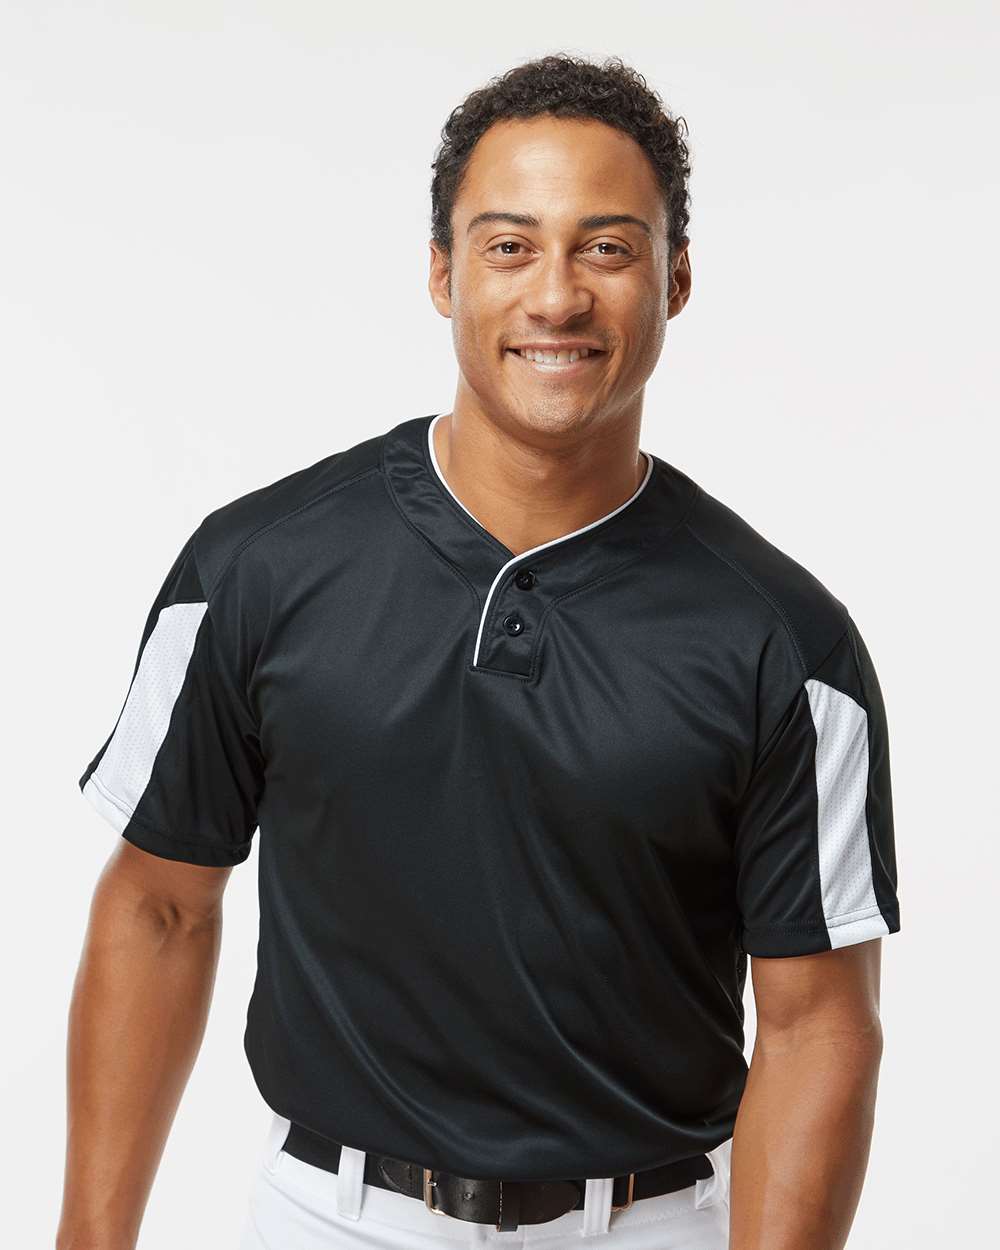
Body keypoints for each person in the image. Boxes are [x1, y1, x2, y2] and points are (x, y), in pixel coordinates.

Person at [58, 53, 900, 1250]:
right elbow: (158, 904)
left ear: (676, 277)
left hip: (648, 1225)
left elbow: (818, 1023)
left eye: (606, 248)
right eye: (509, 246)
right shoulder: (256, 566)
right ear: (443, 274)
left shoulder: (785, 643)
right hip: (328, 1220)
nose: (557, 296)